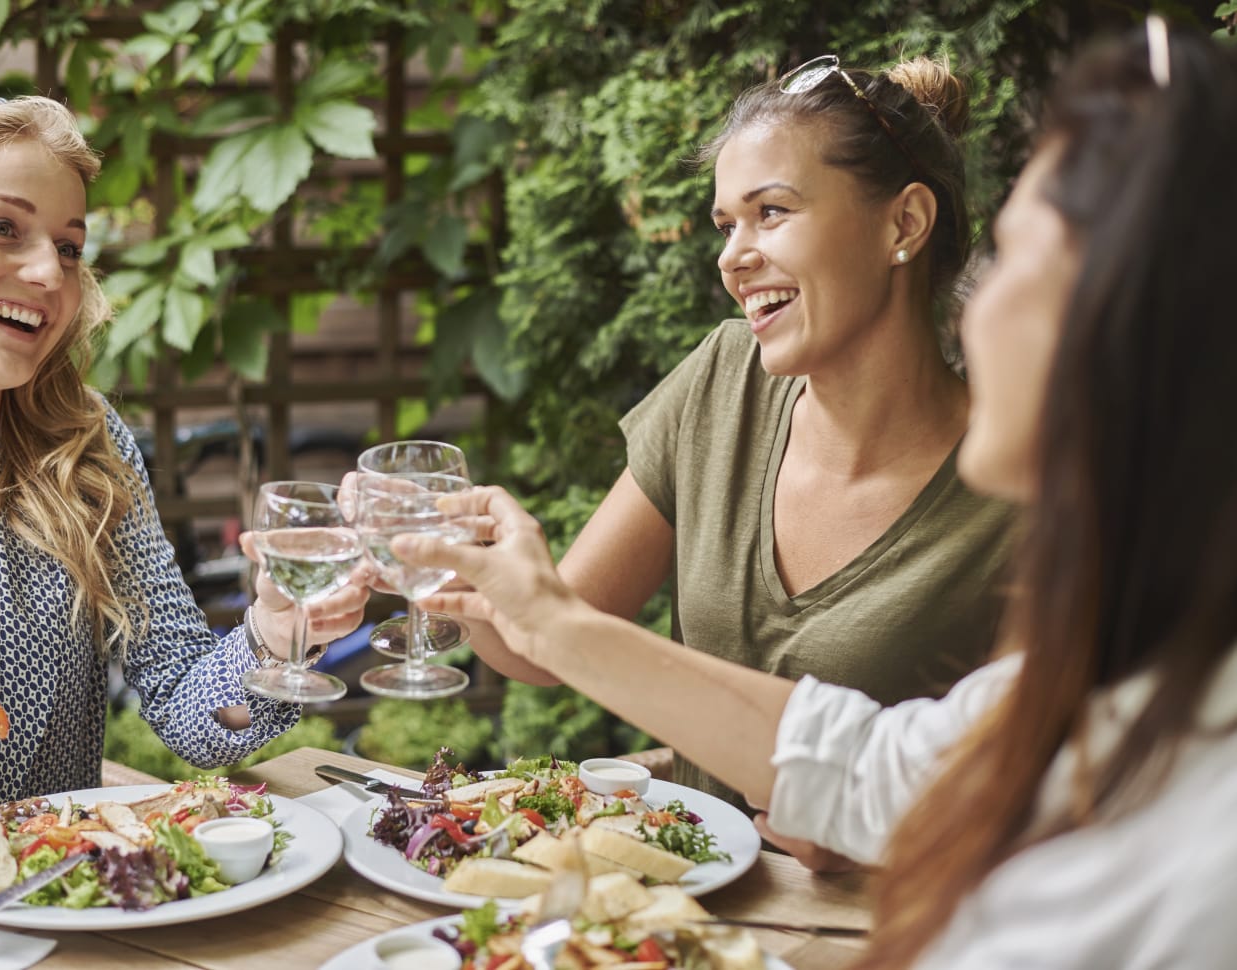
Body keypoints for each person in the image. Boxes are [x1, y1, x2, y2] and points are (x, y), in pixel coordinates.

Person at [398, 18, 1237, 968]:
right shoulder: (1142, 676)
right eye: (725, 223)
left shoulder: (1196, 837)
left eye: (1020, 258)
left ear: (904, 226)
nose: (984, 300)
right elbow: (871, 767)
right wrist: (525, 605)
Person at [0, 87, 368, 928]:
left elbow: (191, 712)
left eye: (68, 245)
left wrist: (276, 634)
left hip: (62, 925)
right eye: (1, 228)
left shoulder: (87, 453)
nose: (48, 273)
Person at [426, 54, 1018, 824]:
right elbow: (547, 644)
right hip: (684, 915)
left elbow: (1033, 795)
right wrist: (468, 582)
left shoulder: (1018, 487)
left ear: (902, 223)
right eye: (725, 224)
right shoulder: (723, 380)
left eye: (770, 212)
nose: (732, 257)